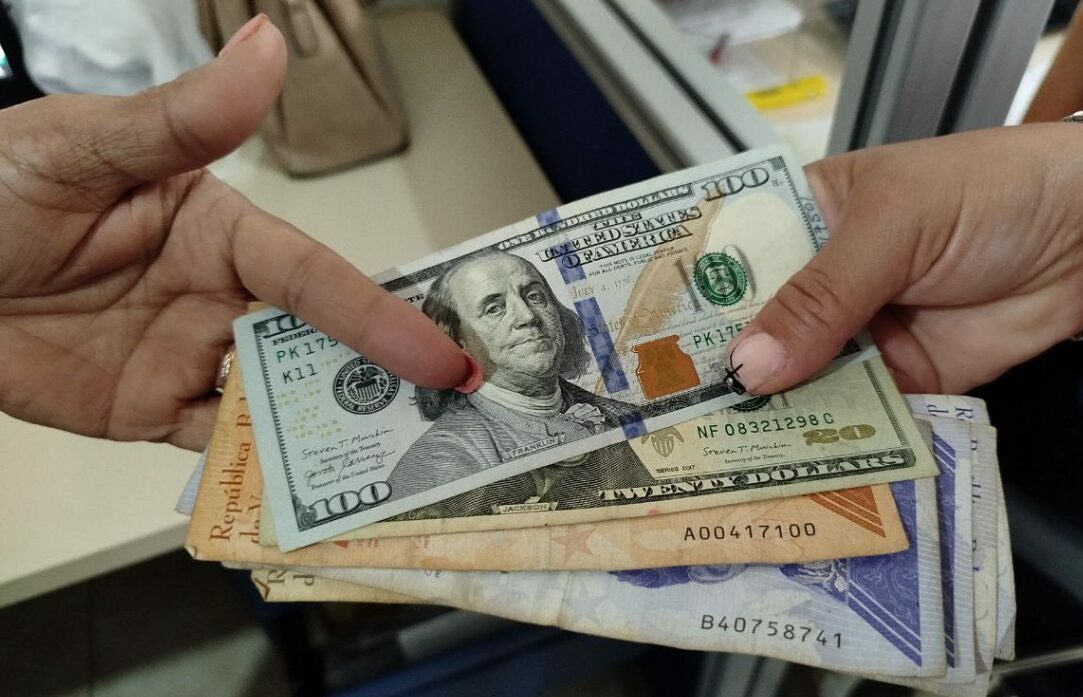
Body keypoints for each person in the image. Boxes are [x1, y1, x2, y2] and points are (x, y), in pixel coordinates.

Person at [2, 14, 1082, 453]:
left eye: (528, 291)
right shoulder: (449, 453)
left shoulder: (598, 401)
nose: (525, 311)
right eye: (494, 303)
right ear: (454, 330)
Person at [386, 250, 650, 504]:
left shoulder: (624, 415)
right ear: (456, 341)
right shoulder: (440, 460)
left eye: (534, 296)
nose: (527, 316)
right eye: (494, 308)